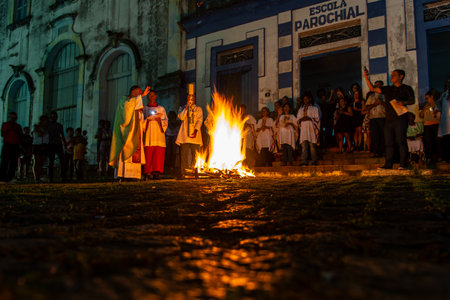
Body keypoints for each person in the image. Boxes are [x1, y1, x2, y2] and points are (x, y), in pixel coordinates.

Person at [364, 68, 415, 170]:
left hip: (400, 118)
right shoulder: (388, 89)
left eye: (394, 75)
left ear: (401, 77)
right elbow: (373, 89)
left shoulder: (406, 88)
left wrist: (403, 102)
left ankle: (403, 164)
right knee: (388, 142)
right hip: (389, 119)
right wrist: (366, 77)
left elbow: (412, 100)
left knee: (401, 141)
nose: (392, 76)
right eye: (391, 75)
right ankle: (388, 164)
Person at [109, 85, 150, 180]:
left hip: (136, 130)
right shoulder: (124, 101)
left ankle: (134, 175)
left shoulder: (135, 101)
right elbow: (127, 111)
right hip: (127, 132)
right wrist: (141, 96)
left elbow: (139, 114)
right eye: (139, 93)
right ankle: (122, 174)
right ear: (133, 92)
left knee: (136, 150)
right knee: (125, 151)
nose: (140, 95)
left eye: (140, 93)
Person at [176, 92, 203, 175]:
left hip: (195, 135)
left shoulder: (198, 109)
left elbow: (199, 120)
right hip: (184, 135)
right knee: (184, 154)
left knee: (195, 154)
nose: (191, 98)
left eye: (193, 97)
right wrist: (187, 107)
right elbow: (181, 117)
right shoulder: (182, 108)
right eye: (189, 97)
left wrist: (195, 130)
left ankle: (195, 171)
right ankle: (184, 171)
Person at [143, 90, 168, 180]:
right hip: (149, 134)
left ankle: (156, 172)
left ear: (156, 96)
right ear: (147, 97)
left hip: (158, 134)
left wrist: (159, 121)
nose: (151, 97)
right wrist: (147, 120)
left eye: (153, 95)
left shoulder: (161, 108)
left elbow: (165, 121)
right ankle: (147, 172)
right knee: (148, 153)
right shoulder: (145, 109)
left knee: (158, 154)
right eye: (150, 95)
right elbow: (141, 121)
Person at [363, 81, 386, 158]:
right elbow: (366, 107)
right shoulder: (371, 96)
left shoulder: (385, 95)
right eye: (375, 85)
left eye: (379, 85)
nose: (377, 86)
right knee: (375, 136)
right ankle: (376, 152)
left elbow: (390, 106)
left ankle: (383, 151)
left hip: (383, 117)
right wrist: (374, 104)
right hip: (373, 118)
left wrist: (381, 103)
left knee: (383, 135)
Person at [297, 92, 320, 165]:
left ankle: (314, 160)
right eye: (304, 99)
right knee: (304, 145)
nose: (305, 100)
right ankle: (304, 161)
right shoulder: (301, 109)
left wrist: (309, 118)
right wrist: (302, 119)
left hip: (311, 128)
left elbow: (317, 118)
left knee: (312, 145)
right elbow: (298, 119)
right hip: (303, 128)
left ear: (309, 99)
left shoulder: (314, 108)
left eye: (306, 99)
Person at [419, 89, 441, 163]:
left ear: (432, 97)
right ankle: (429, 157)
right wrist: (424, 111)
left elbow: (437, 115)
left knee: (437, 142)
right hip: (427, 125)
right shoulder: (426, 105)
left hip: (436, 124)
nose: (426, 100)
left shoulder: (437, 104)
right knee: (428, 142)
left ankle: (438, 157)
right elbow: (421, 115)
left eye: (427, 98)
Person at [0, 112, 23, 183]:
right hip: (7, 144)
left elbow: (20, 136)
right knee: (5, 161)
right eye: (12, 118)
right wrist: (10, 128)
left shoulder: (18, 126)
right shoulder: (5, 124)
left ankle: (9, 178)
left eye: (14, 118)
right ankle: (2, 178)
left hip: (15, 145)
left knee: (13, 162)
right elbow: (3, 134)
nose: (13, 119)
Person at [47, 111, 66, 182]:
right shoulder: (48, 125)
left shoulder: (59, 125)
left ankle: (63, 176)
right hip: (51, 145)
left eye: (55, 116)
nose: (54, 118)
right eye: (52, 117)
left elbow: (62, 136)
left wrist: (65, 144)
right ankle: (51, 177)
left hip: (58, 144)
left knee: (62, 161)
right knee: (51, 162)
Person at [32, 116, 50, 183]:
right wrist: (45, 130)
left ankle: (38, 177)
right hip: (37, 145)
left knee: (41, 163)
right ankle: (36, 178)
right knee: (37, 162)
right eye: (45, 121)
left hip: (44, 145)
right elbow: (40, 134)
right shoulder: (37, 127)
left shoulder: (47, 128)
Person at [437, 76, 450, 163]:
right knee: (446, 140)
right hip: (445, 120)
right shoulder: (444, 94)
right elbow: (438, 105)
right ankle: (446, 157)